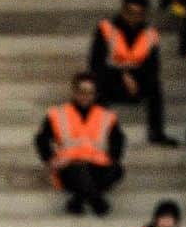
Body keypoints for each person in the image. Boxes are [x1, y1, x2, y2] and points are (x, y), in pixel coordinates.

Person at [89, 0, 177, 145]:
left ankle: (156, 133)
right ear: (123, 10)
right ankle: (97, 132)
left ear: (144, 15)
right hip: (111, 79)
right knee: (97, 83)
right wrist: (123, 74)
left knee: (155, 85)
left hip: (138, 81)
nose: (133, 17)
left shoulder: (150, 34)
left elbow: (153, 66)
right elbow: (96, 62)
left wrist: (135, 79)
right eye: (130, 12)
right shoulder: (106, 28)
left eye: (138, 14)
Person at [35, 72, 125, 216]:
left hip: (96, 165)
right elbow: (41, 138)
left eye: (90, 92)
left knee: (117, 170)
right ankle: (97, 200)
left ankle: (78, 199)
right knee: (79, 171)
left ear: (95, 94)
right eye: (82, 92)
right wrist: (50, 159)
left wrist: (113, 158)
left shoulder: (106, 116)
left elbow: (119, 139)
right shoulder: (57, 114)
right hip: (69, 166)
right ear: (74, 92)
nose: (86, 96)